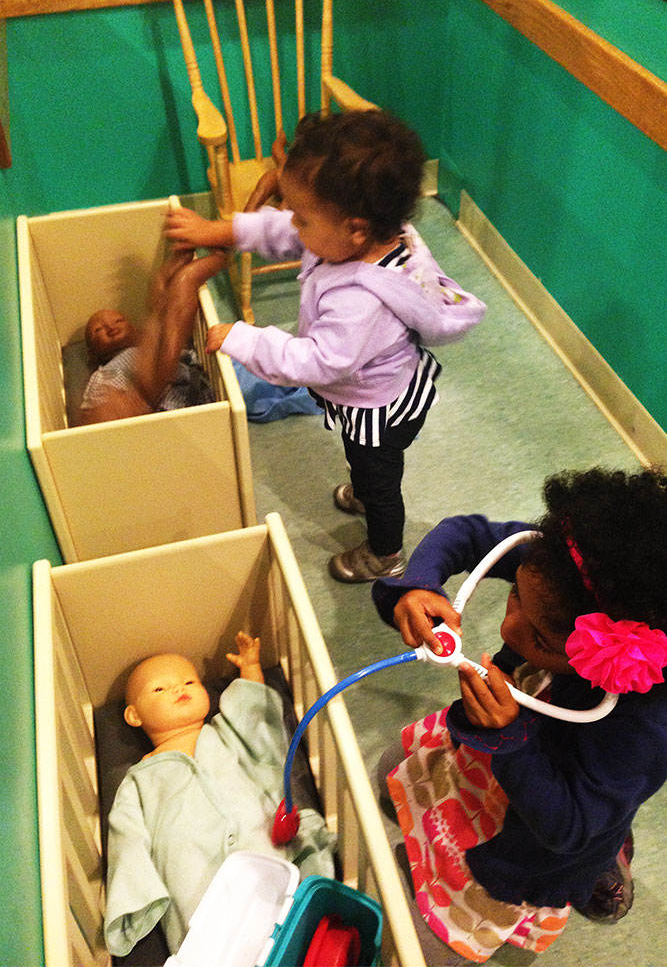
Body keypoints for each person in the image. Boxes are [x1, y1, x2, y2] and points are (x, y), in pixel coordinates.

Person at [164, 109, 486, 583]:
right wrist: (222, 231)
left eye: (302, 215)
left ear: (354, 227)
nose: (293, 223)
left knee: (379, 483)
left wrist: (245, 338)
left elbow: (318, 361)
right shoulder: (354, 234)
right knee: (364, 464)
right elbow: (284, 232)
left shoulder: (363, 300)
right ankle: (363, 486)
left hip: (379, 409)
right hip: (372, 387)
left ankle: (385, 553)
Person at [372, 467, 667, 962]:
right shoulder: (565, 569)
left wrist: (509, 737)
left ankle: (606, 856)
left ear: (610, 656)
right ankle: (608, 820)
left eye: (541, 639)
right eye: (515, 598)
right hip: (508, 748)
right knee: (387, 775)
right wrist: (420, 584)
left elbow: (567, 826)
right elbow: (466, 535)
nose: (508, 631)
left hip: (543, 821)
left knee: (411, 946)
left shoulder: (646, 729)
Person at [103, 632, 335, 957]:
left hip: (264, 848)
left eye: (189, 682)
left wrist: (251, 669)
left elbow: (254, 720)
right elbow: (126, 836)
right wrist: (132, 898)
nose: (179, 689)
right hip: (199, 881)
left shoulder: (226, 732)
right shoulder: (139, 780)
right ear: (134, 715)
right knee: (213, 944)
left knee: (298, 922)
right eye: (160, 688)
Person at [79, 246, 225, 425]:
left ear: (134, 330)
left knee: (157, 317)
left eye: (118, 321)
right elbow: (95, 420)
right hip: (155, 410)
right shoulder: (101, 376)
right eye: (98, 330)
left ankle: (175, 275)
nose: (110, 326)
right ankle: (200, 269)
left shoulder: (144, 346)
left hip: (182, 389)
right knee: (159, 321)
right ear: (93, 352)